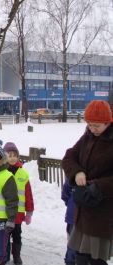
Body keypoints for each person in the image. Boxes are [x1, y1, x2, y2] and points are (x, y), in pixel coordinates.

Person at [62, 100, 113, 265]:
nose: (92, 129)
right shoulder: (87, 137)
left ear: (108, 122)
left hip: (102, 212)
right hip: (83, 211)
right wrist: (77, 172)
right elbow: (69, 156)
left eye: (97, 125)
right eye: (90, 125)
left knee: (96, 259)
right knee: (81, 257)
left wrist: (98, 186)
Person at [3, 142, 34, 265]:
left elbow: (28, 194)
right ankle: (5, 256)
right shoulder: (1, 172)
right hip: (4, 212)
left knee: (17, 235)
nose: (12, 158)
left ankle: (16, 256)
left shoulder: (23, 174)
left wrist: (29, 212)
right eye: (9, 155)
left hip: (18, 213)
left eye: (14, 155)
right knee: (4, 235)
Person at [61, 181, 76, 265]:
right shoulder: (73, 176)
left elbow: (65, 195)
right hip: (73, 216)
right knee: (72, 242)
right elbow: (65, 194)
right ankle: (70, 261)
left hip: (77, 216)